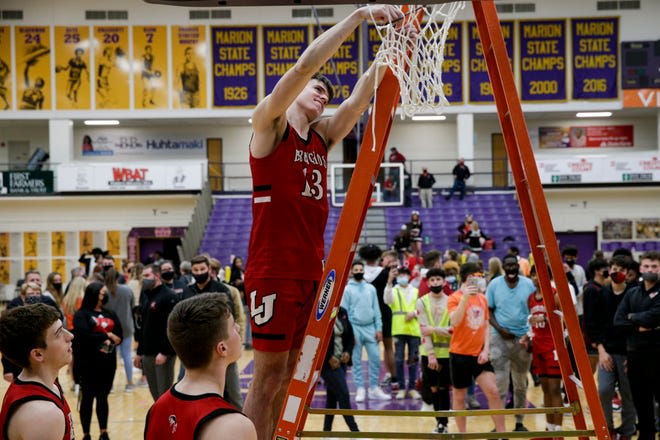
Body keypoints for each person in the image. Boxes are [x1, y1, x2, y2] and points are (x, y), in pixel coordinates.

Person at [243, 6, 405, 439]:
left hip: (310, 272)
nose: (323, 94)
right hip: (273, 270)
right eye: (317, 89)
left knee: (293, 376)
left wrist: (392, 43)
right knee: (268, 376)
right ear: (294, 92)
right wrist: (358, 18)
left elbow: (357, 100)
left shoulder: (323, 136)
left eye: (326, 94)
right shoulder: (269, 125)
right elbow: (304, 66)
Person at [144, 292, 256, 440]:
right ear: (222, 348)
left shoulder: (157, 408)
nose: (238, 328)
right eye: (233, 326)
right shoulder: (235, 426)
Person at [0, 303, 75, 440]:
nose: (70, 336)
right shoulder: (42, 414)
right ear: (38, 354)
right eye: (59, 333)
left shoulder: (47, 386)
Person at [448, 263, 505, 434]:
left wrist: (486, 349)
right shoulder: (454, 298)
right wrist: (465, 298)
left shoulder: (483, 298)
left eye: (481, 276)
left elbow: (486, 325)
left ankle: (502, 433)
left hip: (479, 354)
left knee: (493, 391)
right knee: (459, 396)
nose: (480, 279)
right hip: (459, 354)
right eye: (476, 276)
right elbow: (455, 321)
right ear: (466, 278)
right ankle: (462, 435)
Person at [182, 254, 244, 409]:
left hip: (221, 349)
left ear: (209, 270)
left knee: (233, 394)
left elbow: (230, 318)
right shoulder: (187, 291)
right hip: (196, 351)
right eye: (195, 270)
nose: (199, 272)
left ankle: (240, 427)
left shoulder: (222, 290)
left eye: (202, 269)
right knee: (196, 392)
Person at [585, 255, 636, 440]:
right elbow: (594, 324)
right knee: (604, 390)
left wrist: (632, 356)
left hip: (629, 353)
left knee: (628, 395)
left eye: (621, 270)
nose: (617, 273)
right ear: (610, 269)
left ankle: (628, 431)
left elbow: (636, 328)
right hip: (606, 352)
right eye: (614, 269)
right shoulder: (602, 293)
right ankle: (608, 428)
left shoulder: (634, 293)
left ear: (628, 274)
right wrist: (601, 350)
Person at [485, 254, 535, 432]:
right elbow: (488, 311)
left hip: (522, 340)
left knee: (520, 384)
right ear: (503, 267)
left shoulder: (528, 284)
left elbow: (534, 311)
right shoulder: (494, 285)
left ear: (518, 266)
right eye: (508, 265)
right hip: (499, 340)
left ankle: (519, 422)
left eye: (514, 265)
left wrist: (529, 335)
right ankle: (499, 426)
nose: (512, 268)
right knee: (500, 384)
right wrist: (500, 329)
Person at [614, 251, 660, 440]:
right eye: (647, 266)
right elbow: (618, 321)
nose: (650, 270)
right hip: (635, 356)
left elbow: (655, 316)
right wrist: (641, 324)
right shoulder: (632, 292)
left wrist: (632, 318)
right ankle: (646, 436)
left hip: (658, 355)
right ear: (640, 268)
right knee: (641, 402)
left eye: (654, 267)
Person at [72, 282, 123, 440]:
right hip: (87, 365)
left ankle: (104, 432)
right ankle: (86, 434)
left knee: (103, 398)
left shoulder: (110, 313)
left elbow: (119, 336)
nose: (105, 295)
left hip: (107, 364)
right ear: (93, 294)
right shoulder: (82, 314)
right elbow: (82, 337)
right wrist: (106, 336)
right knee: (87, 399)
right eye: (102, 293)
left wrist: (112, 340)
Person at [340, 261, 390, 402]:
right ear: (351, 271)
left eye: (361, 269)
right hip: (355, 327)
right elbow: (344, 313)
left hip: (370, 328)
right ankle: (360, 388)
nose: (359, 271)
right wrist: (349, 333)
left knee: (375, 358)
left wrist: (378, 328)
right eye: (356, 269)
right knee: (356, 360)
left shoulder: (370, 288)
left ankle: (374, 388)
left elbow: (376, 310)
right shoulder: (347, 289)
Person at [526, 266, 564, 434]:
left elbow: (564, 318)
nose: (536, 278)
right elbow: (532, 323)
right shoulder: (531, 298)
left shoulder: (555, 294)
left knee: (555, 389)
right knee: (545, 389)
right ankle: (550, 428)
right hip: (538, 347)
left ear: (547, 277)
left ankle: (559, 429)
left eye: (539, 274)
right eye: (533, 275)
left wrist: (547, 318)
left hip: (553, 347)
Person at [133, 264, 178, 401]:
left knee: (164, 395)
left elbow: (172, 327)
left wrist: (165, 352)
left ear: (157, 276)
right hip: (148, 353)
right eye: (143, 276)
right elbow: (143, 327)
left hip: (162, 354)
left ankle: (169, 422)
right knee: (155, 396)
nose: (144, 279)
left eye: (147, 276)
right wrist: (139, 352)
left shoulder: (169, 296)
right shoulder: (146, 296)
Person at [416, 268, 451, 434]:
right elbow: (424, 331)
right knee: (434, 389)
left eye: (438, 279)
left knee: (444, 388)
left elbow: (453, 330)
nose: (435, 282)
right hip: (428, 354)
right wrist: (431, 355)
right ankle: (439, 423)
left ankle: (445, 422)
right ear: (428, 282)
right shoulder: (422, 302)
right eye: (432, 280)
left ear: (444, 282)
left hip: (447, 353)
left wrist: (434, 329)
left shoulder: (451, 302)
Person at [384, 266, 421, 399]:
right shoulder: (393, 290)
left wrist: (415, 313)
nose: (402, 278)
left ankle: (412, 388)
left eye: (405, 275)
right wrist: (389, 281)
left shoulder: (416, 291)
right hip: (398, 329)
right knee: (398, 360)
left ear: (409, 276)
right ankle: (401, 387)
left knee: (413, 360)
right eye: (400, 275)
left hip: (413, 330)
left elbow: (422, 308)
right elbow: (387, 300)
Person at [321, 306, 359, 433]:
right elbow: (318, 339)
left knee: (332, 398)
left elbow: (350, 336)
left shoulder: (342, 312)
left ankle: (326, 433)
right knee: (343, 394)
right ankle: (355, 433)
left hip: (341, 364)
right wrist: (328, 357)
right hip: (327, 364)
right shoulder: (321, 313)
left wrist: (348, 352)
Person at [104, 268, 136, 393]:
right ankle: (130, 384)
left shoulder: (104, 291)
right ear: (118, 278)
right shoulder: (127, 290)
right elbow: (133, 306)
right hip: (126, 328)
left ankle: (110, 385)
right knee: (127, 356)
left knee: (109, 358)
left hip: (110, 329)